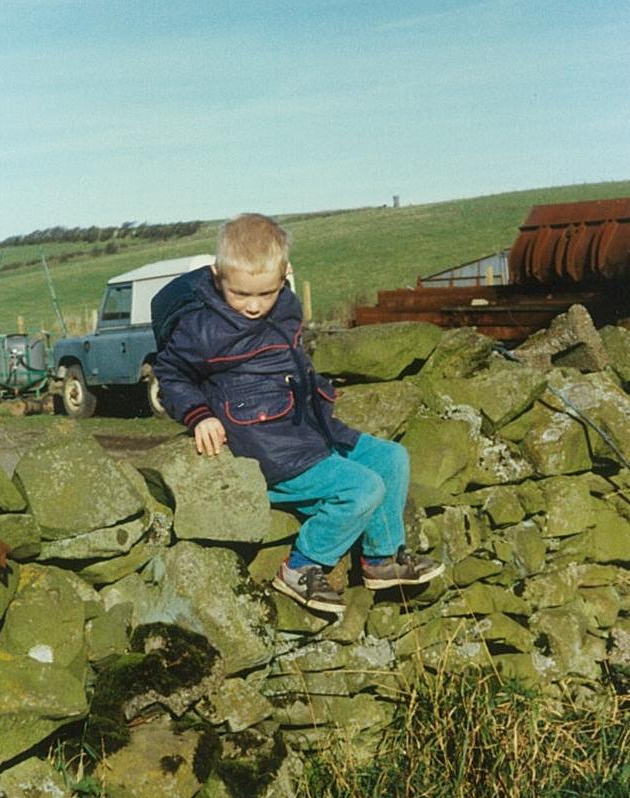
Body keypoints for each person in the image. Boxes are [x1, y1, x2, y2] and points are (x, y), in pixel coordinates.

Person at [154, 213, 444, 614]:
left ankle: (382, 558)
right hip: (265, 448)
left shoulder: (285, 305)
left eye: (265, 293)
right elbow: (169, 374)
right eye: (240, 295)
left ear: (285, 275)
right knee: (362, 489)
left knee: (391, 457)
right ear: (218, 275)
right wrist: (199, 414)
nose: (254, 307)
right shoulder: (201, 329)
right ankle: (302, 567)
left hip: (308, 428)